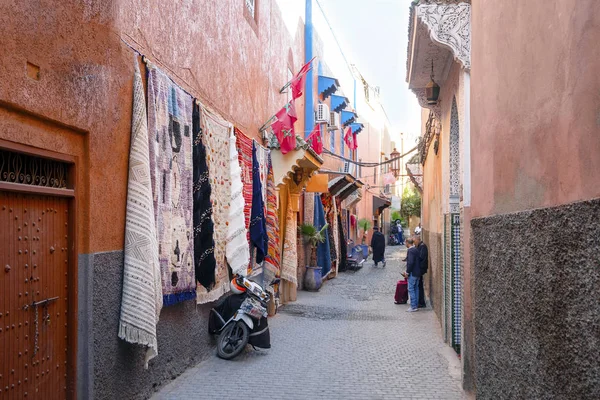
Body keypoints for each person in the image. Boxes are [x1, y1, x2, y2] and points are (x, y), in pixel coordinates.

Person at [405, 236, 421, 312]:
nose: (405, 244)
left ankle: (413, 306)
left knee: (411, 288)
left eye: (405, 242)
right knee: (416, 288)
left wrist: (407, 272)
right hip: (418, 272)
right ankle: (416, 305)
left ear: (408, 243)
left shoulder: (410, 251)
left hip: (413, 273)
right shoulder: (416, 249)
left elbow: (411, 262)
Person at [413, 234, 429, 308]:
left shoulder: (422, 246)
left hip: (420, 268)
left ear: (418, 239)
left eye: (415, 241)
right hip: (419, 268)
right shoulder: (420, 246)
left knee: (419, 285)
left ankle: (421, 302)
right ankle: (420, 301)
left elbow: (421, 257)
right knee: (419, 285)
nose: (414, 242)